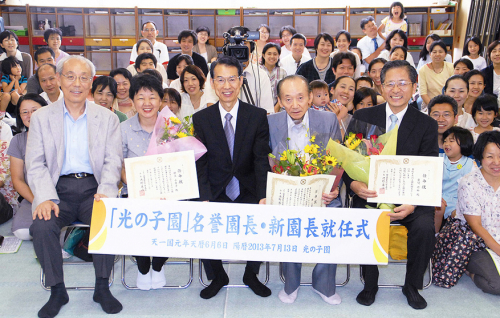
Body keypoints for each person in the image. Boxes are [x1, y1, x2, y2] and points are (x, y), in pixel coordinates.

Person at [26, 55, 123, 317]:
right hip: (58, 191)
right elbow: (35, 164)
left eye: (83, 77)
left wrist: (105, 192)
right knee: (42, 226)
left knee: (107, 219)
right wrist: (45, 197)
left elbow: (113, 161)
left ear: (90, 82)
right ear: (58, 80)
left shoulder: (107, 118)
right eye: (70, 76)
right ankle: (58, 289)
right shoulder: (41, 118)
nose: (76, 83)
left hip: (95, 189)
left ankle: (102, 287)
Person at [346, 60, 438, 310]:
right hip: (370, 193)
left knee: (424, 227)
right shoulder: (364, 117)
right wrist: (354, 185)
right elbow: (347, 159)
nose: (396, 89)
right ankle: (370, 282)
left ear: (414, 87)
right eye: (390, 84)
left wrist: (412, 204)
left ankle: (411, 285)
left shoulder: (426, 123)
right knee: (360, 219)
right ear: (381, 86)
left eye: (403, 84)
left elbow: (429, 169)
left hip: (410, 198)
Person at [193, 55, 271, 300]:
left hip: (247, 188)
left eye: (231, 79)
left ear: (241, 81)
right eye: (220, 80)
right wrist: (204, 196)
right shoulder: (201, 119)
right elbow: (201, 162)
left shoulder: (257, 116)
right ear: (212, 84)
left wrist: (263, 195)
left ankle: (251, 274)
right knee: (201, 223)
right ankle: (218, 275)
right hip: (216, 189)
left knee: (263, 222)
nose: (226, 86)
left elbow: (260, 159)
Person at [268, 74, 342, 305]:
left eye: (300, 97)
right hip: (287, 193)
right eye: (288, 99)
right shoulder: (271, 122)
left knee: (334, 215)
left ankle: (324, 283)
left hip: (322, 193)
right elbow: (263, 162)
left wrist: (334, 188)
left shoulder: (328, 120)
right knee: (288, 218)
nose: (295, 104)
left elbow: (338, 159)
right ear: (279, 100)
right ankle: (291, 283)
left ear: (311, 97)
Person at [120, 73, 169, 290]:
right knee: (133, 213)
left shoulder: (173, 126)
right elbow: (117, 166)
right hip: (135, 191)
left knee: (177, 212)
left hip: (168, 193)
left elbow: (185, 163)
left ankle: (158, 265)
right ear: (132, 101)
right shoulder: (123, 129)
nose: (146, 103)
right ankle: (142, 266)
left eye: (152, 97)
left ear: (161, 100)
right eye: (140, 97)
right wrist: (137, 183)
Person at [456, 131, 500, 295]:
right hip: (476, 244)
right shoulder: (469, 183)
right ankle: (469, 271)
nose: (496, 162)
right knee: (496, 285)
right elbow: (476, 226)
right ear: (480, 157)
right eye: (490, 156)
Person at [8, 94, 47, 240]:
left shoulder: (60, 136)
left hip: (61, 194)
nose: (30, 115)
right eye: (25, 112)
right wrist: (37, 200)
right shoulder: (18, 140)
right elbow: (17, 179)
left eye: (34, 110)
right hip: (33, 195)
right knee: (22, 231)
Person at [436, 126, 475, 233]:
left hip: (457, 202)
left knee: (460, 215)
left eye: (451, 141)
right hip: (437, 198)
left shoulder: (471, 164)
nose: (446, 144)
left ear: (463, 143)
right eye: (445, 141)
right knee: (438, 207)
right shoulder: (437, 158)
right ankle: (434, 236)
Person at [418, 41, 454, 110]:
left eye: (440, 52)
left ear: (445, 54)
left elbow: (453, 90)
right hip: (429, 105)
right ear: (430, 54)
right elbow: (423, 93)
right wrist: (435, 107)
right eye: (434, 52)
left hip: (448, 104)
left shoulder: (451, 67)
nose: (437, 54)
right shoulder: (423, 70)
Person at [259, 42, 287, 108]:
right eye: (269, 54)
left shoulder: (282, 72)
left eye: (275, 54)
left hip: (278, 108)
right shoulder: (257, 71)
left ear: (279, 56)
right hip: (259, 107)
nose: (272, 56)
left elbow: (284, 92)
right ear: (263, 55)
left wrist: (276, 108)